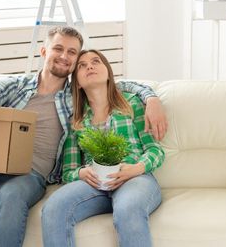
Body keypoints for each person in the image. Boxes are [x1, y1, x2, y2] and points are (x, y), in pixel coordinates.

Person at [0, 27, 167, 247]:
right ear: (43, 51)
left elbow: (116, 86)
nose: (65, 56)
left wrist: (152, 97)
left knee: (12, 198)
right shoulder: (26, 89)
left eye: (72, 53)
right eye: (58, 48)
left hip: (29, 175)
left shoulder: (84, 101)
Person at [41, 49, 165, 247]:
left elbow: (155, 150)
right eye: (82, 65)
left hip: (135, 178)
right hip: (95, 186)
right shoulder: (77, 122)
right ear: (78, 84)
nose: (89, 66)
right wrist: (82, 173)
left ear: (108, 73)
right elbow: (68, 172)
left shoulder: (131, 103)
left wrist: (137, 168)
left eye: (96, 61)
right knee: (53, 208)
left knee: (127, 208)